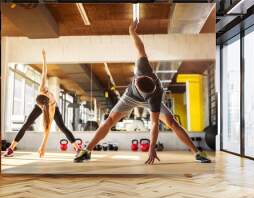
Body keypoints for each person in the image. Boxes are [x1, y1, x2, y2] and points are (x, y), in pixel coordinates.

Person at [74, 21, 211, 164]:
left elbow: (154, 124)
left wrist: (152, 147)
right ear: (138, 80)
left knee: (172, 123)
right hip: (129, 97)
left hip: (149, 99)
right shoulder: (142, 67)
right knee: (109, 120)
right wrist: (132, 32)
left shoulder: (155, 96)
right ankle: (87, 150)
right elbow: (140, 47)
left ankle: (197, 153)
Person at [3, 50, 79, 158]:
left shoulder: (51, 106)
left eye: (47, 92)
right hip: (41, 106)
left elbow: (47, 130)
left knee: (62, 127)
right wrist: (43, 58)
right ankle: (11, 149)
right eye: (45, 91)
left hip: (53, 108)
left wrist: (42, 146)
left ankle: (77, 147)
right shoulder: (41, 89)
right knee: (26, 124)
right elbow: (44, 73)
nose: (47, 90)